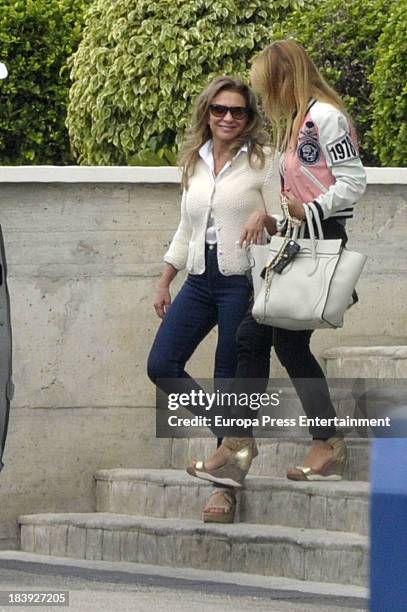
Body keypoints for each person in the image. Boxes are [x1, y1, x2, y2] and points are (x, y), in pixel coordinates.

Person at [187, 40, 367, 497]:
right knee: (271, 342)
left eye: (268, 81)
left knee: (269, 339)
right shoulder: (300, 119)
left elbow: (353, 181)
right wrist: (276, 218)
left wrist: (307, 211)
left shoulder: (325, 117)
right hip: (295, 239)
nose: (265, 93)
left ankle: (269, 445)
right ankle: (265, 444)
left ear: (284, 75)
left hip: (318, 240)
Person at [147, 76, 278, 522]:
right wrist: (166, 278)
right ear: (207, 113)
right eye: (219, 109)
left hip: (241, 279)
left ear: (249, 117)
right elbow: (187, 227)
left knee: (227, 377)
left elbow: (285, 217)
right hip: (199, 279)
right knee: (162, 364)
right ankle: (234, 442)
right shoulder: (195, 163)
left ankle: (223, 491)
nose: (227, 118)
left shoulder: (263, 161)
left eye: (237, 111)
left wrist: (268, 216)